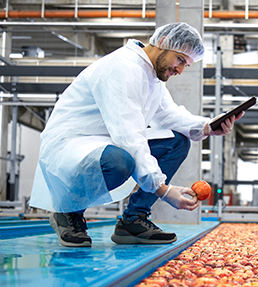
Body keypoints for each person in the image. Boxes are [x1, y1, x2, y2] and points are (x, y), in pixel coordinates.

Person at [29, 22, 243, 247]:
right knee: (119, 161)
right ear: (163, 43)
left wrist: (208, 126)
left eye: (186, 65)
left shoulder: (151, 74)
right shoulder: (122, 68)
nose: (180, 70)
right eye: (180, 60)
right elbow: (129, 135)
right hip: (73, 144)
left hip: (107, 141)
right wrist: (163, 189)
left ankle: (133, 220)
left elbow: (168, 115)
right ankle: (67, 209)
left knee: (177, 142)